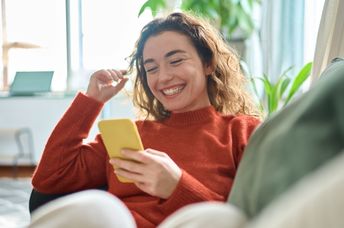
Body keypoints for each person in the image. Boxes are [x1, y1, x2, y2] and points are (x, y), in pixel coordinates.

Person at [30, 12, 261, 228]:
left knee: (222, 217)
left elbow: (253, 216)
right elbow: (49, 179)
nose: (163, 77)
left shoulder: (243, 132)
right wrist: (91, 101)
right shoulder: (131, 136)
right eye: (151, 68)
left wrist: (177, 186)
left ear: (208, 63)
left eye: (176, 61)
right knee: (99, 208)